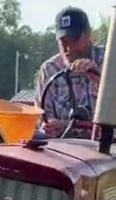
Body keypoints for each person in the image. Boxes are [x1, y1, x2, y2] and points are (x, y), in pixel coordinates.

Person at [34, 7, 104, 138]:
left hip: (105, 145)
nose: (69, 48)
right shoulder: (49, 70)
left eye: (75, 39)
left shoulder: (107, 61)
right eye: (64, 41)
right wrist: (52, 126)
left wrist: (100, 80)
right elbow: (42, 117)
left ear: (89, 35)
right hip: (64, 146)